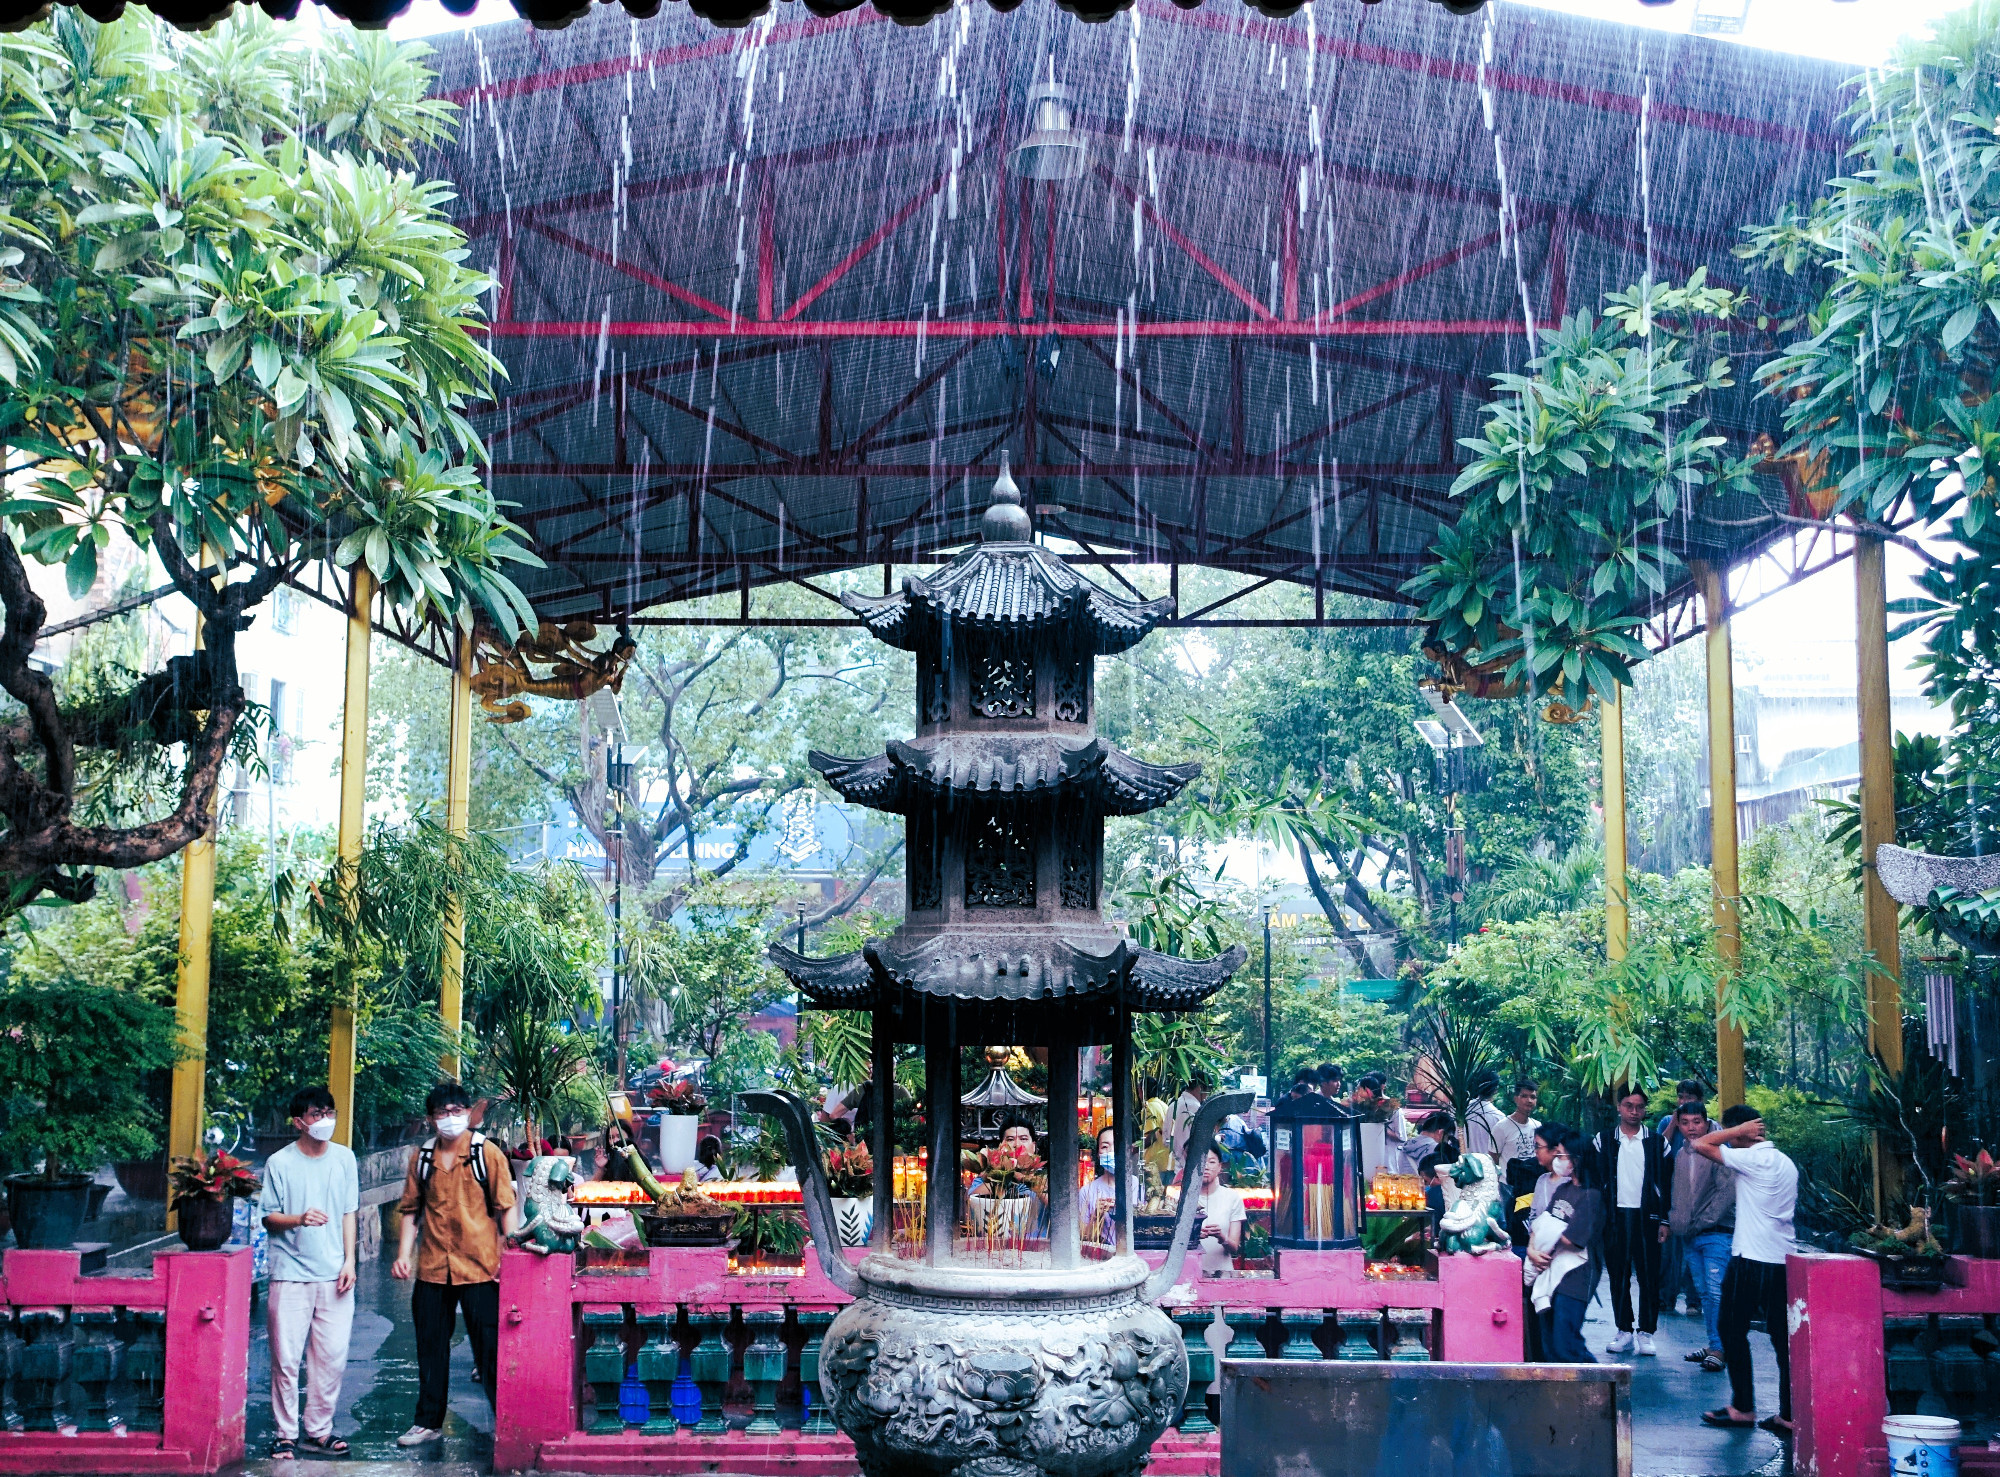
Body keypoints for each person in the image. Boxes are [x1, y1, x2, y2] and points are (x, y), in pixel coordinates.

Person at [392, 1082, 520, 1449]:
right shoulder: (423, 1158)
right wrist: (403, 1255)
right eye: (442, 1113)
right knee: (430, 1346)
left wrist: (508, 1254)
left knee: (490, 1348)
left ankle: (505, 1422)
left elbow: (505, 1206)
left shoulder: (486, 1153)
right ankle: (428, 1422)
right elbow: (410, 1211)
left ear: (468, 1112)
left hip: (481, 1267)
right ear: (431, 1119)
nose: (450, 1118)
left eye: (456, 1110)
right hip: (433, 1267)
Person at [259, 1086, 359, 1460]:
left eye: (329, 1112)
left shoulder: (345, 1159)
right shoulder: (279, 1163)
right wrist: (299, 1218)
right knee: (285, 1360)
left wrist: (349, 1261)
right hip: (289, 1275)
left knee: (330, 1359)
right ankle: (285, 1433)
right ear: (299, 1122)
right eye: (317, 1114)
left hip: (334, 1276)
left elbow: (350, 1211)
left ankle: (318, 1431)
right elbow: (269, 1218)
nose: (325, 1120)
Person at [1694, 1106, 1798, 1436]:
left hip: (1751, 1259)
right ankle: (1788, 1414)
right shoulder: (1785, 1161)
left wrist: (1735, 1131)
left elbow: (1702, 1144)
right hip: (1783, 1259)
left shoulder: (1754, 1159)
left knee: (1730, 1329)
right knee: (1783, 1340)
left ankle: (1742, 1408)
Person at [1585, 1086, 1668, 1357]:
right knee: (1618, 1276)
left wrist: (1665, 1220)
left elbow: (1667, 1185)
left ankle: (1646, 1333)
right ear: (1619, 1107)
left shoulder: (1657, 1143)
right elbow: (1594, 1182)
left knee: (1649, 1276)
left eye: (1640, 1106)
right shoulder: (1603, 1140)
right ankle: (1624, 1331)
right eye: (1629, 1105)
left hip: (1648, 1218)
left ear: (1645, 1109)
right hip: (1615, 1217)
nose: (1634, 1111)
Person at [1665, 1101, 1734, 1373]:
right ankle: (1715, 1344)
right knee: (1705, 1295)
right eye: (1685, 1123)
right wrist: (1676, 1224)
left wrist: (1702, 1222)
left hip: (1717, 1233)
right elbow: (1678, 1196)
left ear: (1706, 1123)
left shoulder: (1720, 1152)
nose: (1691, 1128)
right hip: (1689, 1237)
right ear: (1678, 1125)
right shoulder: (1680, 1155)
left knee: (1716, 1294)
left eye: (1697, 1122)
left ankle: (1719, 1348)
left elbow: (1726, 1194)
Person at [1524, 1126, 1601, 1364]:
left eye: (1561, 1155)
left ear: (1577, 1159)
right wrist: (1531, 1250)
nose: (1557, 1161)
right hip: (1548, 1271)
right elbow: (1539, 1224)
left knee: (1566, 1342)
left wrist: (1546, 1234)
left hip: (1575, 1278)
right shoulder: (1563, 1190)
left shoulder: (1591, 1196)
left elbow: (1572, 1239)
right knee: (1550, 1343)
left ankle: (1600, 1385)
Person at [1657, 1082, 1708, 1319]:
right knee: (1669, 1251)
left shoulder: (1706, 1125)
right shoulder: (1668, 1121)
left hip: (1699, 1195)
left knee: (1695, 1249)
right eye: (1680, 1097)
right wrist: (1674, 1124)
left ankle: (1694, 1300)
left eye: (1689, 1097)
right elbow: (1658, 1149)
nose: (1683, 1101)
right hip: (1671, 1194)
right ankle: (1666, 1298)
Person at [1490, 1081, 1543, 1247]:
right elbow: (1493, 1157)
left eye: (1533, 1097)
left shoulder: (1537, 1126)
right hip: (1509, 1187)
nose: (1529, 1100)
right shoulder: (1501, 1127)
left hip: (1533, 1185)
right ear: (1516, 1098)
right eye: (1524, 1096)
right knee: (1510, 1226)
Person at [1078, 1125, 1138, 1247]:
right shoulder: (1087, 1191)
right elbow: (1082, 1238)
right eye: (1105, 1147)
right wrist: (1096, 1216)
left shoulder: (1135, 1184)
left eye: (1116, 1146)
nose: (1111, 1151)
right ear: (1098, 1154)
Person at [1192, 1147, 1245, 1275]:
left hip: (1223, 1274)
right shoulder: (1181, 1199)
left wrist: (1221, 1237)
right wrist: (1193, 1238)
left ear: (1220, 1167)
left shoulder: (1232, 1197)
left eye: (1211, 1162)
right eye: (1201, 1162)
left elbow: (1234, 1248)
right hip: (1190, 1274)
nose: (1206, 1167)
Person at [1167, 1074, 1211, 1174]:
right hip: (1193, 1167)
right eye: (1207, 1091)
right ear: (1200, 1088)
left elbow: (1166, 1139)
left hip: (1174, 1166)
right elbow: (1202, 1138)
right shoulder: (1196, 1108)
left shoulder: (1172, 1105)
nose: (1206, 1096)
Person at [1461, 1072, 1508, 1157]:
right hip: (1489, 1166)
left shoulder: (1462, 1111)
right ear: (1495, 1090)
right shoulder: (1499, 1117)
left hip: (1466, 1164)